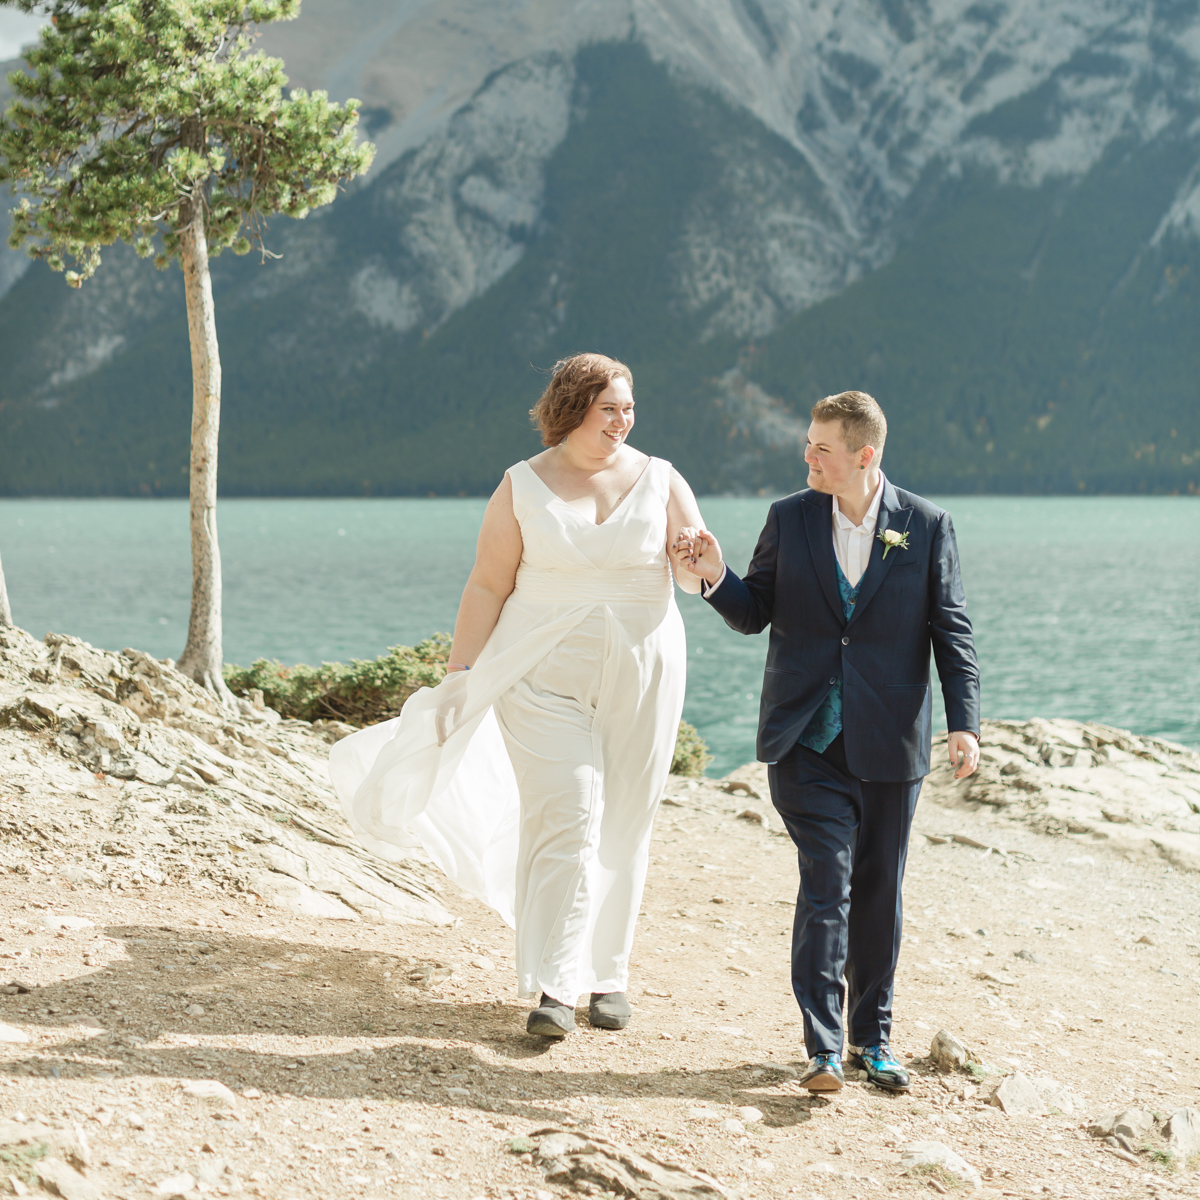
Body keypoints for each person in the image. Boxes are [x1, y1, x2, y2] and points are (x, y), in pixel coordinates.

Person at [329, 352, 709, 1039]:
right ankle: (555, 987)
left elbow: (696, 574)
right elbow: (486, 585)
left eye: (629, 408)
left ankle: (608, 975)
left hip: (645, 669)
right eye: (608, 409)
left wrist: (700, 561)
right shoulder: (521, 486)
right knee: (566, 812)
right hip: (539, 669)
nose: (622, 421)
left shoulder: (662, 479)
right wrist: (460, 673)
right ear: (573, 410)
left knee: (623, 819)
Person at [676, 390, 979, 1093]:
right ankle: (822, 1046)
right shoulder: (790, 518)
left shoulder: (927, 526)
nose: (806, 456)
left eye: (820, 447)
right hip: (805, 740)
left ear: (863, 456)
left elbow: (951, 632)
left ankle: (873, 1044)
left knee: (879, 892)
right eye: (808, 443)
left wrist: (963, 723)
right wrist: (714, 576)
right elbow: (755, 613)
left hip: (891, 744)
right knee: (826, 885)